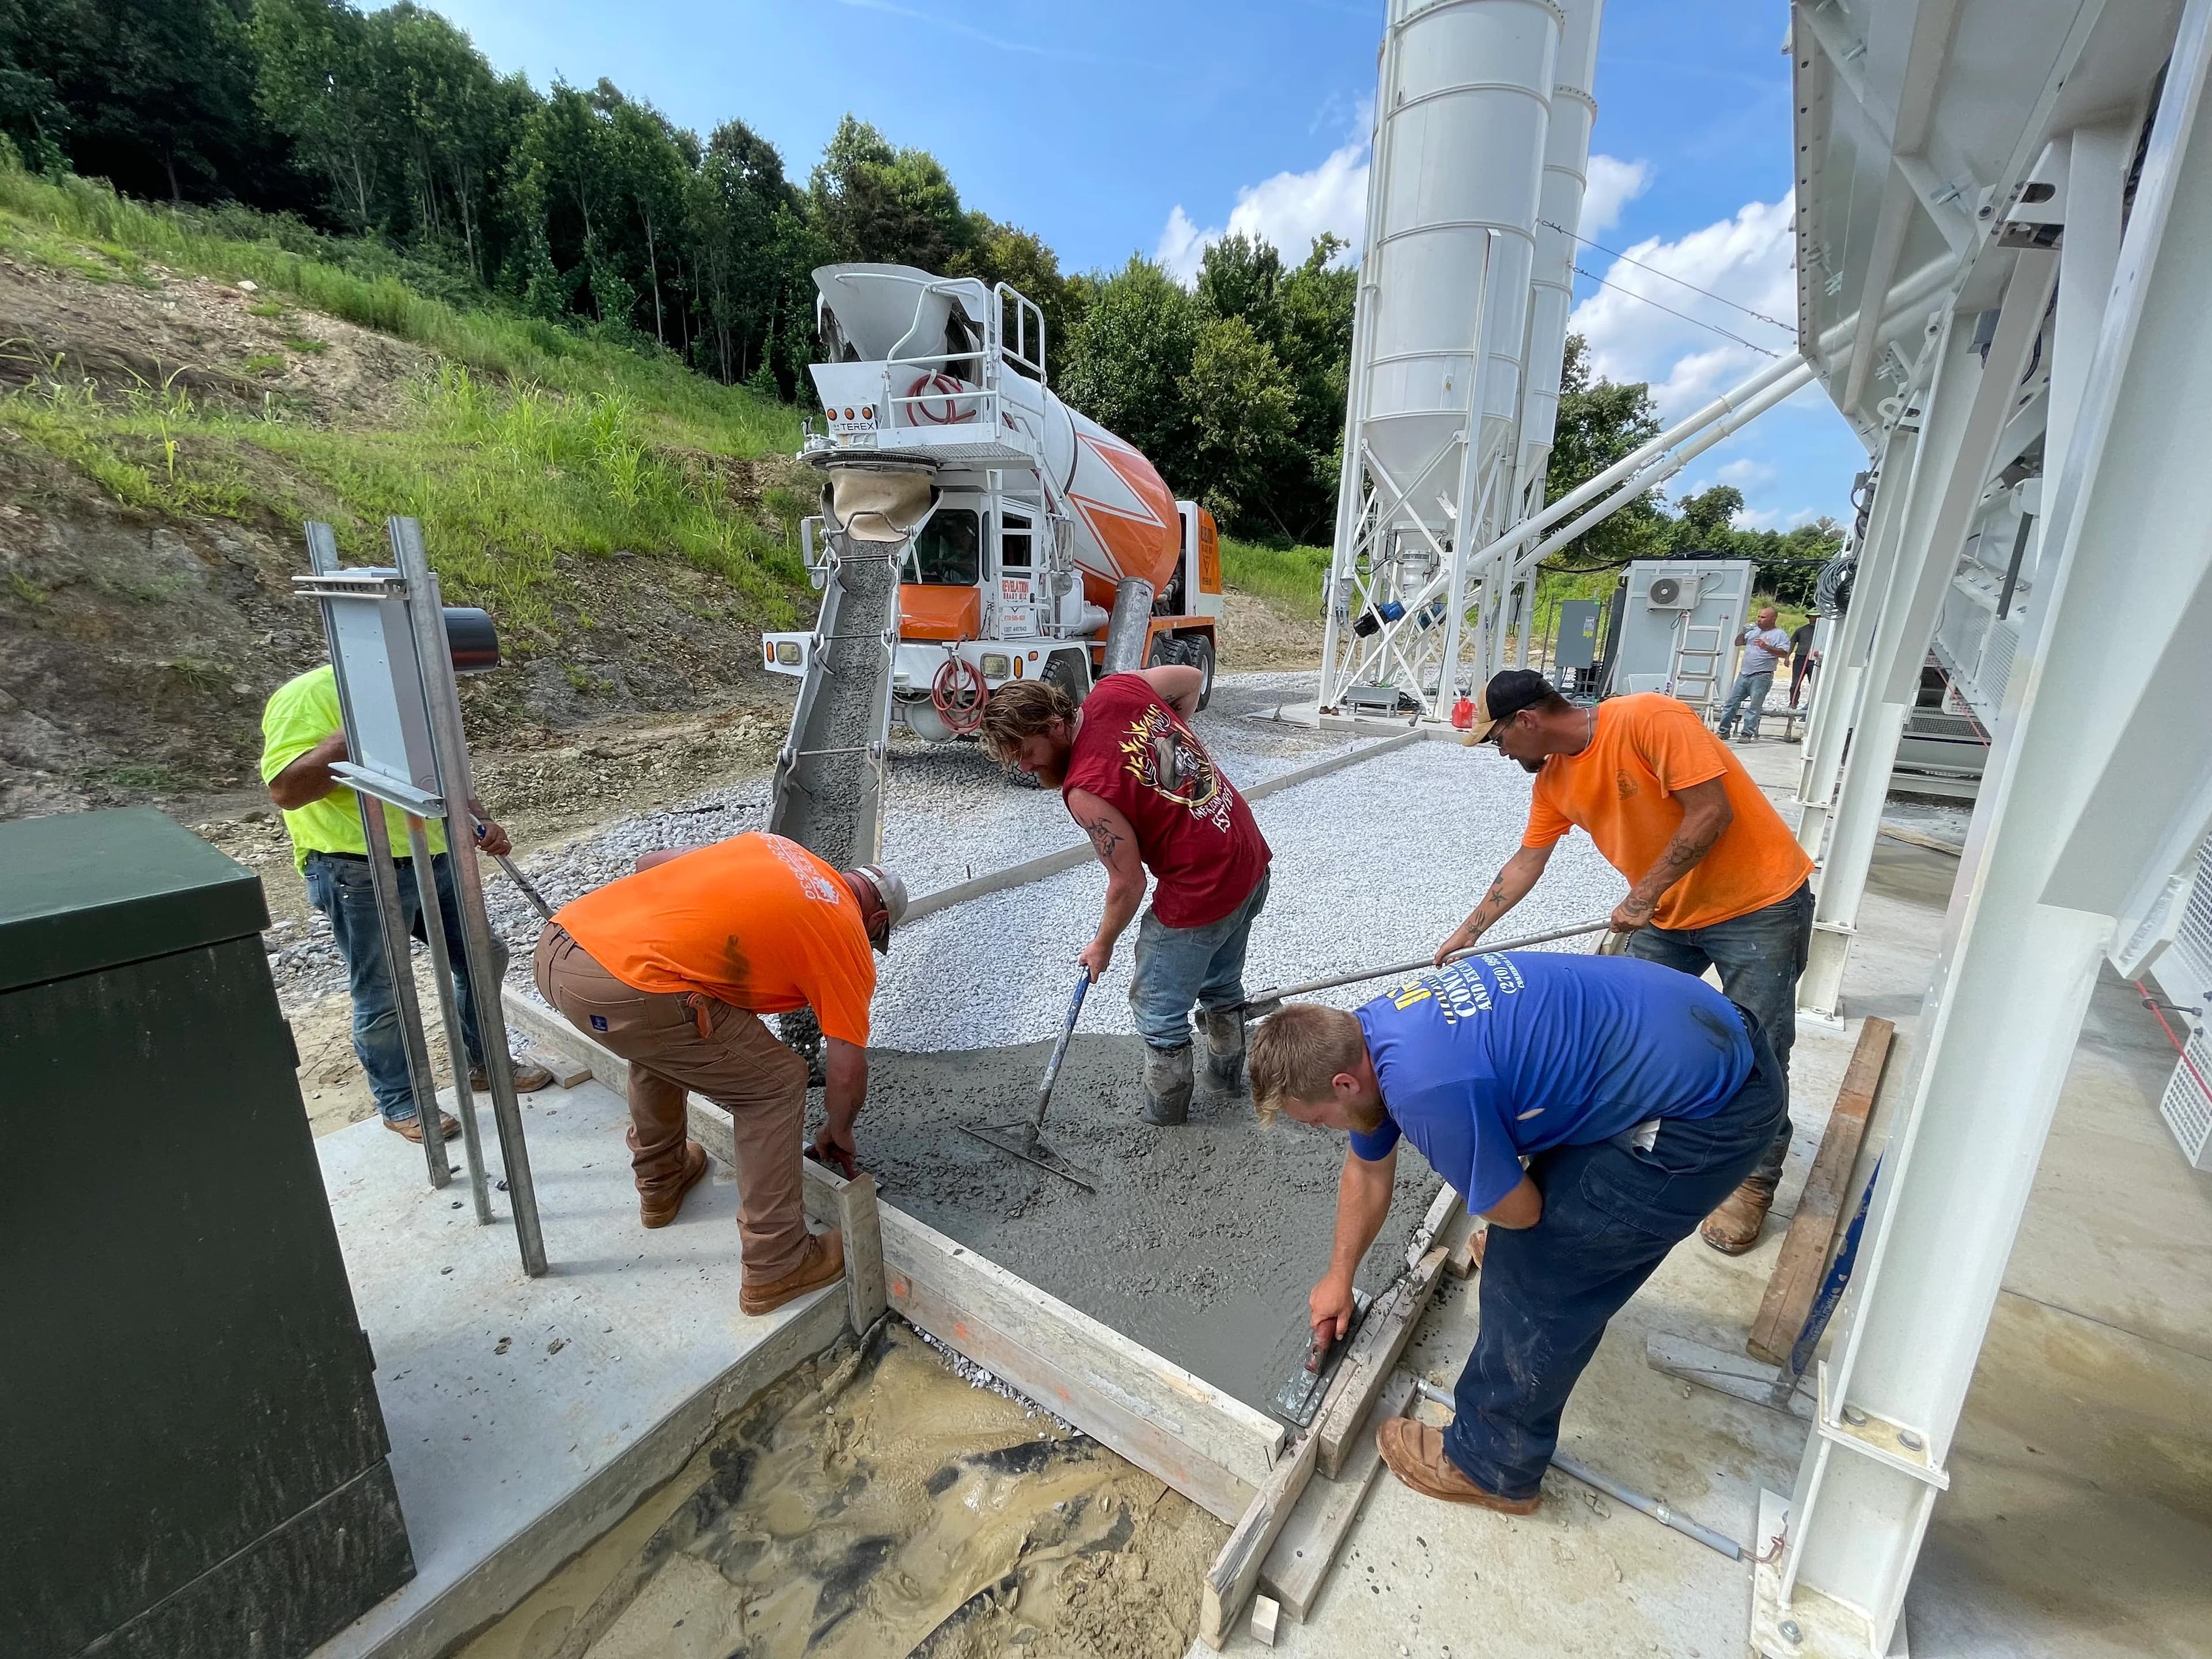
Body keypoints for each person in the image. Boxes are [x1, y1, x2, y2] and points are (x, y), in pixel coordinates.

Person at [1249, 953, 1785, 1513]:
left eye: (1315, 1121)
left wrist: (1514, 1232)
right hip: (1707, 1032)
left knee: (1534, 1267)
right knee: (1518, 1212)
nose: (1322, 1132)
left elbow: (1523, 1214)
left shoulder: (1425, 1089)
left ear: (1343, 1083)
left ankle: (1491, 1465)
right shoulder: (1375, 1030)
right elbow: (1366, 1167)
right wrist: (1340, 1276)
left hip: (1709, 1116)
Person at [1436, 670, 1815, 1253]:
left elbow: (1711, 812)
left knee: (1760, 1047)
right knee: (1614, 1040)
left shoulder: (1647, 719)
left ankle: (1754, 1185)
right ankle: (1585, 1175)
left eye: (1498, 740)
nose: (1500, 751)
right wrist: (1467, 932)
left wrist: (1643, 894)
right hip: (1668, 920)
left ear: (1528, 722)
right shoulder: (1555, 782)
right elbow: (1526, 862)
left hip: (1757, 905)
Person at [533, 833, 907, 1315]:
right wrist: (839, 1129)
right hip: (626, 990)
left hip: (560, 949)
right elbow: (848, 1066)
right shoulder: (845, 930)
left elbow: (649, 861)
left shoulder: (777, 849)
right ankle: (779, 1262)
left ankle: (662, 1181)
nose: (869, 940)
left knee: (665, 1036)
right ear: (876, 920)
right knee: (776, 1084)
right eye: (875, 934)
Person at [262, 664, 552, 1146]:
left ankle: (482, 1064)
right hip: (357, 866)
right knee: (385, 991)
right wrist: (354, 736)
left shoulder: (417, 689)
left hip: (432, 853)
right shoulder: (307, 695)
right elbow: (287, 791)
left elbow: (440, 768)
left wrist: (479, 817)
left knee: (485, 954)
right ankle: (401, 1100)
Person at [978, 664, 1270, 1126]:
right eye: (1017, 760)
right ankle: (1225, 1082)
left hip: (1203, 885)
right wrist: (1176, 737)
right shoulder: (1116, 690)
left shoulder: (1086, 788)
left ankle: (1167, 1119)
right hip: (1246, 853)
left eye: (1029, 752)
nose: (1027, 767)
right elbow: (1191, 679)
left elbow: (1129, 883)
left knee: (1157, 1009)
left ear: (1055, 727)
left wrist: (1102, 944)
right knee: (1220, 986)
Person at [1717, 606, 1793, 740]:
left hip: (1762, 675)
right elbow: (1738, 643)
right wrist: (1742, 632)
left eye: (1763, 618)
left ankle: (1747, 733)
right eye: (1759, 617)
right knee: (1731, 703)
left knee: (1754, 706)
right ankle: (1723, 731)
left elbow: (1784, 653)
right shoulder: (1754, 631)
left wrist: (1766, 647)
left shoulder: (1779, 634)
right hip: (1744, 674)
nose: (1759, 620)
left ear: (1773, 619)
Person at [1789, 619, 1819, 709]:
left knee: (1814, 683)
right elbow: (1792, 643)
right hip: (1800, 658)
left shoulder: (1823, 631)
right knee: (1795, 683)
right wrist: (1787, 656)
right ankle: (1793, 703)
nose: (1813, 619)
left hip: (1814, 659)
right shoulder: (1801, 630)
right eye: (1812, 617)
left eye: (1816, 617)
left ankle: (1813, 705)